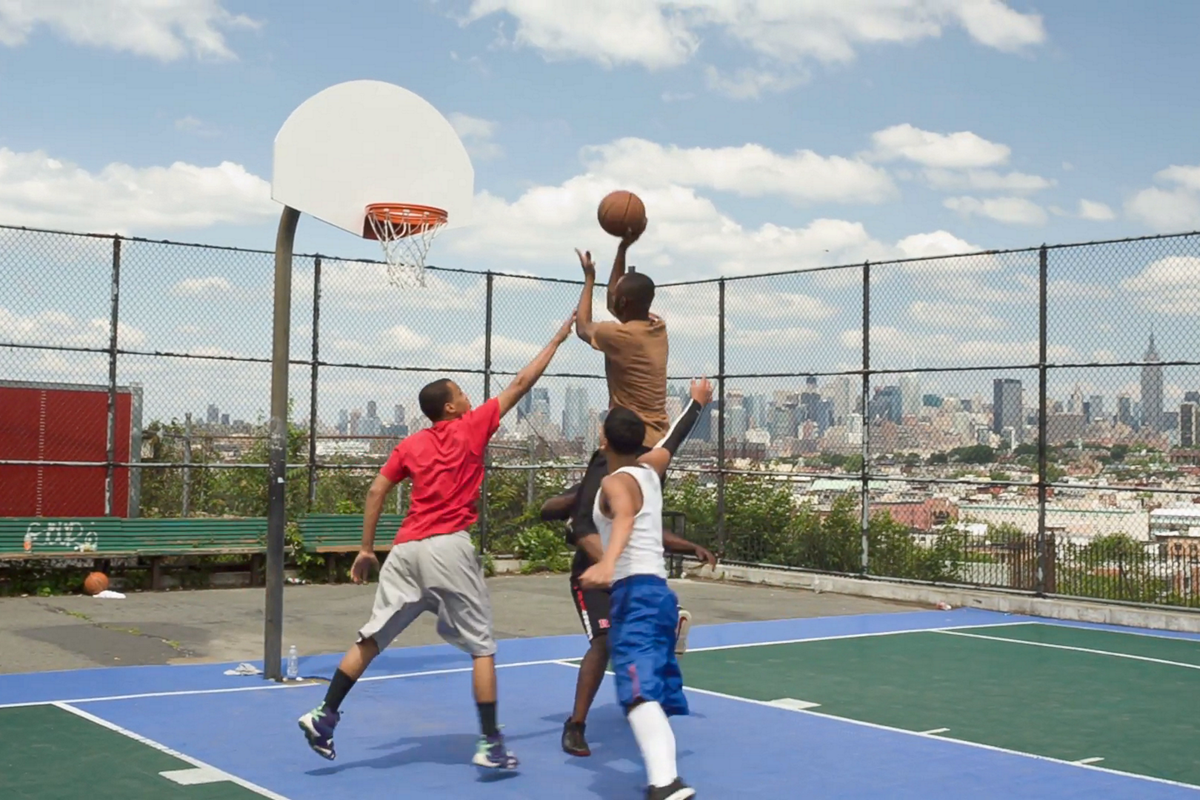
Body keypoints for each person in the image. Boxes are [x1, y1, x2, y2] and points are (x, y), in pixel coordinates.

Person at [298, 312, 576, 770]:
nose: (470, 397)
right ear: (450, 407)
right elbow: (523, 382)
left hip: (405, 551)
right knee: (482, 647)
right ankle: (491, 743)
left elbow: (375, 490)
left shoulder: (410, 444)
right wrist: (557, 338)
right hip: (448, 547)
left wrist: (367, 548)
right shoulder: (472, 426)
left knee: (370, 639)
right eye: (462, 392)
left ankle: (324, 715)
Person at [550, 237, 712, 758]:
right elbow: (626, 300)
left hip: (625, 447)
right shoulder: (655, 326)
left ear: (618, 305)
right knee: (617, 516)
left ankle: (595, 557)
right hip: (653, 446)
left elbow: (581, 328)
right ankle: (621, 568)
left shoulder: (618, 338)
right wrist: (622, 250)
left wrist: (590, 278)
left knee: (585, 524)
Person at [579, 378, 714, 800]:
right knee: (649, 694)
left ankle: (666, 783)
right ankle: (665, 778)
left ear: (603, 439)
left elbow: (623, 517)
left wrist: (606, 561)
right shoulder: (651, 466)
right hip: (660, 597)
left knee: (636, 693)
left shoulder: (613, 482)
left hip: (633, 595)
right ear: (640, 442)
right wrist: (696, 405)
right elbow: (672, 439)